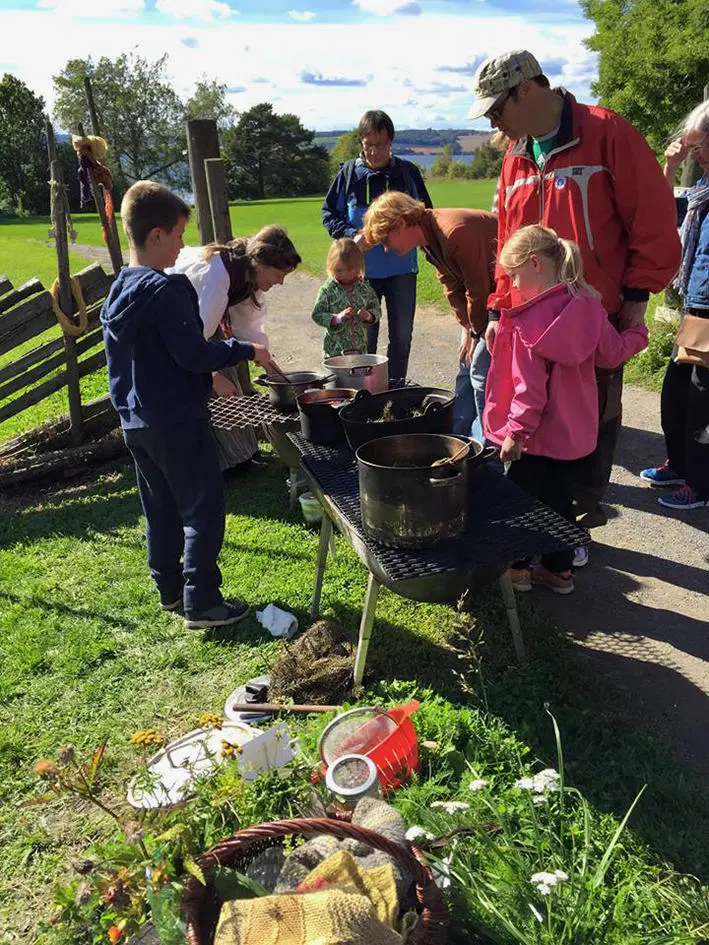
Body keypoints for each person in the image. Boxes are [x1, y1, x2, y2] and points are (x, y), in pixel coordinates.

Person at [470, 49, 681, 540]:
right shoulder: (515, 154)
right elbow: (509, 238)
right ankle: (542, 519)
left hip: (595, 314)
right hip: (528, 317)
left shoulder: (608, 134)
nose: (495, 124)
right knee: (534, 416)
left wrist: (637, 293)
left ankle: (580, 519)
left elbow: (652, 219)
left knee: (591, 417)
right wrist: (501, 304)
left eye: (497, 110)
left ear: (526, 89)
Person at [101, 181, 273, 630]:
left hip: (136, 422)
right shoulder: (166, 290)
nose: (182, 246)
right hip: (177, 417)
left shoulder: (119, 289)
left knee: (158, 506)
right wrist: (243, 351)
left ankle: (170, 588)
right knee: (202, 507)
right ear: (155, 235)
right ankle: (203, 600)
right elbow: (193, 354)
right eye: (178, 235)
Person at [483, 225, 648, 595]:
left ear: (535, 264)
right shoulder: (589, 307)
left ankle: (518, 569)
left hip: (534, 439)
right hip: (574, 436)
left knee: (521, 502)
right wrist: (637, 335)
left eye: (514, 275)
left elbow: (530, 391)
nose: (512, 284)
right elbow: (611, 353)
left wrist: (516, 432)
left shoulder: (529, 322)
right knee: (560, 503)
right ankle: (559, 572)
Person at [362, 190, 497, 435]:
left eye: (385, 239)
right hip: (485, 305)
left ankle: (489, 444)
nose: (385, 248)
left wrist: (476, 332)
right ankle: (458, 435)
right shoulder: (429, 239)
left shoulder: (453, 232)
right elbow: (451, 283)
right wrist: (466, 327)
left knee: (480, 372)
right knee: (466, 367)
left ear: (401, 223)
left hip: (507, 299)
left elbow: (478, 288)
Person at [168, 227, 302, 472]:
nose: (281, 282)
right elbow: (194, 343)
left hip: (202, 329)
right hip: (181, 330)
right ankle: (223, 465)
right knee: (214, 390)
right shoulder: (216, 278)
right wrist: (213, 377)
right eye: (278, 274)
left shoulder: (249, 277)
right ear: (261, 263)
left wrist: (274, 373)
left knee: (232, 386)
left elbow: (247, 328)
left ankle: (243, 456)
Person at [322, 109, 432, 381]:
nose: (373, 152)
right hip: (360, 276)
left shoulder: (408, 173)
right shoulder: (348, 174)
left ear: (391, 142)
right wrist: (351, 235)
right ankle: (364, 392)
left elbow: (427, 214)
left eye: (380, 145)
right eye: (367, 145)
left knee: (401, 338)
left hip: (403, 272)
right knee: (363, 341)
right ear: (361, 142)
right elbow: (328, 214)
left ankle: (395, 393)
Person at [640, 102, 709, 510]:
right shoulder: (701, 189)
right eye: (695, 147)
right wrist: (669, 168)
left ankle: (700, 484)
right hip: (694, 303)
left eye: (703, 146)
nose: (697, 155)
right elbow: (663, 216)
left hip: (708, 306)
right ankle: (682, 465)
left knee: (703, 404)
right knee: (677, 395)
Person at [311, 238, 380, 357]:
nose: (344, 274)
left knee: (359, 375)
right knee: (336, 376)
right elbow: (317, 314)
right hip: (335, 352)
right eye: (339, 270)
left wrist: (369, 316)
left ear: (359, 266)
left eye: (350, 270)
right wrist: (336, 318)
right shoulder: (328, 290)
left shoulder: (365, 289)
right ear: (331, 267)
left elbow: (376, 308)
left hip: (360, 350)